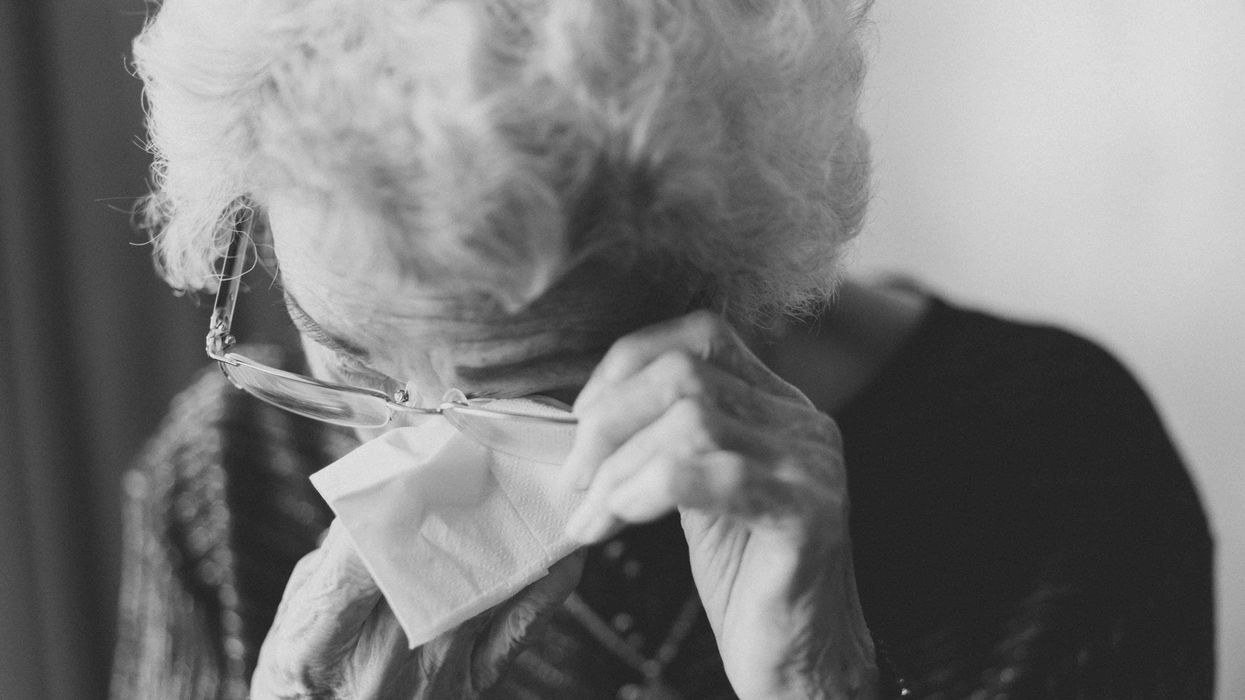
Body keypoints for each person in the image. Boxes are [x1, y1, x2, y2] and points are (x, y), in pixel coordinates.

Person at [112, 1, 1214, 698]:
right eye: (346, 360)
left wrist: (816, 683)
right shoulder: (221, 486)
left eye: (525, 394)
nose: (413, 450)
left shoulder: (1057, 462)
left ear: (735, 274)